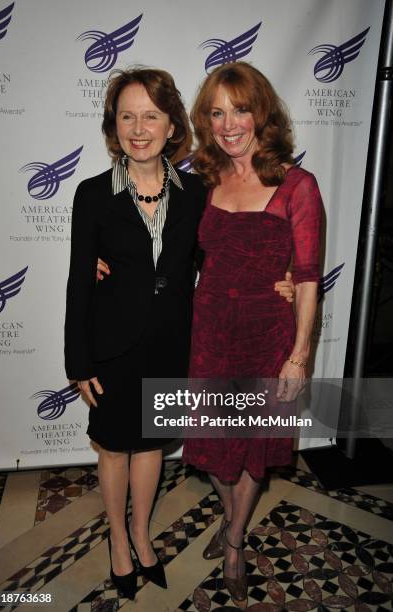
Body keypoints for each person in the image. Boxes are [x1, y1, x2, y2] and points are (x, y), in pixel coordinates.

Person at [182, 62, 322, 609]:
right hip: (210, 330)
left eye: (239, 109)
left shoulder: (297, 184)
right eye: (216, 112)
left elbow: (308, 276)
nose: (229, 123)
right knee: (215, 445)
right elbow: (162, 240)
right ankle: (231, 516)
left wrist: (299, 355)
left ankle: (235, 538)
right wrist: (106, 259)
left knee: (254, 450)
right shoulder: (203, 179)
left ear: (260, 111)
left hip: (269, 334)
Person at [64, 67, 207, 599]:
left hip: (170, 344)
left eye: (151, 115)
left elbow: (213, 266)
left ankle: (143, 536)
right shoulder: (92, 194)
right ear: (113, 125)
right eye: (127, 115)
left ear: (172, 126)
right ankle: (118, 542)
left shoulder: (196, 193)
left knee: (151, 448)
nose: (139, 127)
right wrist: (77, 362)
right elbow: (80, 282)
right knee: (114, 448)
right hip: (111, 348)